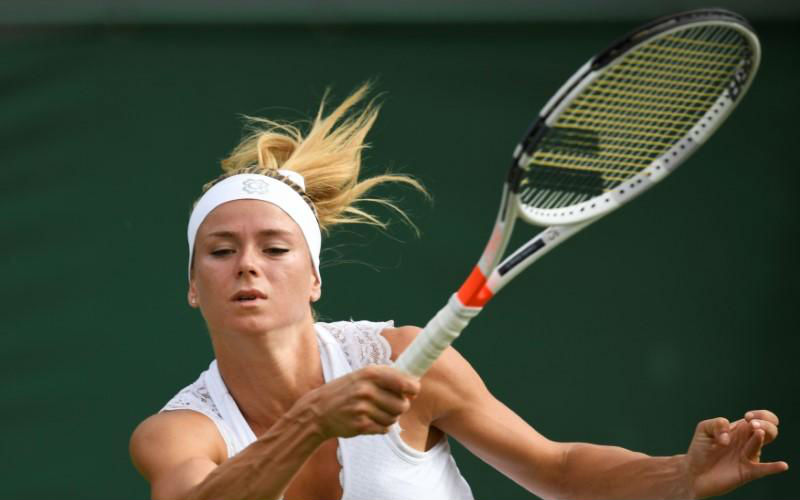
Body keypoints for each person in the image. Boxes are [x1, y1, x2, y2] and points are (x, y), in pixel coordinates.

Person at [130, 85, 787, 500]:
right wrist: (312, 421)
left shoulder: (407, 360)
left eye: (275, 249)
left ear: (314, 279)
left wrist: (680, 476)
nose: (248, 266)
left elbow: (557, 470)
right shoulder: (177, 434)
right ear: (193, 286)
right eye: (221, 251)